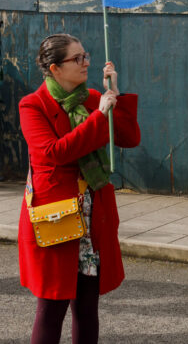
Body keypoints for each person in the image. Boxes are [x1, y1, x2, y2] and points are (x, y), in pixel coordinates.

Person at [18, 33, 141, 343]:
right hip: (55, 218)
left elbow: (129, 137)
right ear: (55, 68)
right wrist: (99, 115)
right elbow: (55, 152)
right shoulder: (33, 105)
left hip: (91, 217)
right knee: (51, 306)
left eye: (86, 56)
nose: (87, 63)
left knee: (87, 307)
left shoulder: (92, 98)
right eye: (78, 59)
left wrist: (114, 94)